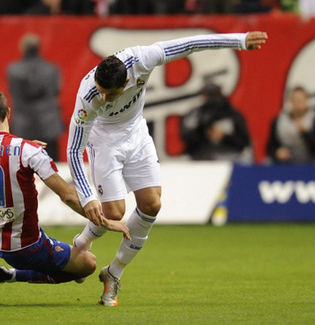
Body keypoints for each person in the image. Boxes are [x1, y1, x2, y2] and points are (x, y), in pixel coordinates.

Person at [67, 31, 268, 306]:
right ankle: (81, 244)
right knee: (113, 212)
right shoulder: (88, 95)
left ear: (127, 81)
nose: (102, 96)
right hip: (104, 143)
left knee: (152, 205)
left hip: (136, 134)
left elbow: (190, 44)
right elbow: (73, 150)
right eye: (101, 90)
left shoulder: (143, 59)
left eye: (109, 93)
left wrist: (240, 40)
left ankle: (113, 274)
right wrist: (88, 197)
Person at [0, 90, 130, 288]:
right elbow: (67, 195)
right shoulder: (28, 151)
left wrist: (26, 150)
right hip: (26, 248)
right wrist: (105, 222)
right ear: (8, 113)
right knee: (87, 265)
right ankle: (12, 275)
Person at [7, 33, 64, 161]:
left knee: (22, 168)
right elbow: (56, 90)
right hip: (48, 125)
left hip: (23, 127)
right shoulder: (52, 70)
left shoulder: (13, 70)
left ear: (22, 48)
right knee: (52, 167)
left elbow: (13, 92)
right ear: (39, 48)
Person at [180, 83, 253, 163]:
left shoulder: (231, 114)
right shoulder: (195, 114)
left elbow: (243, 141)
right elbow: (186, 137)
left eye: (214, 94)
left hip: (229, 158)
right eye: (208, 94)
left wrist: (223, 136)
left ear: (219, 94)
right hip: (201, 158)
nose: (211, 98)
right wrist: (203, 130)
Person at [266, 86, 315, 164]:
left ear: (306, 100)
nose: (298, 103)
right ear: (291, 101)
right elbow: (269, 147)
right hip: (287, 162)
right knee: (267, 162)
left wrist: (305, 133)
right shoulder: (279, 121)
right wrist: (277, 152)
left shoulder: (312, 119)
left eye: (301, 100)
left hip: (310, 162)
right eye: (296, 100)